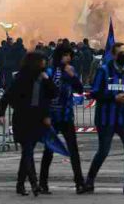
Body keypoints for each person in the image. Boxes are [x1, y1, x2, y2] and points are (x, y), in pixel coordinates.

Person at [0, 52, 57, 197]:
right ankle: (34, 184)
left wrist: (47, 80)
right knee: (28, 151)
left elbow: (53, 93)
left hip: (37, 120)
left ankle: (20, 184)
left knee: (27, 154)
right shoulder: (21, 78)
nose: (44, 65)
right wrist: (0, 113)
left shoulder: (42, 78)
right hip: (23, 119)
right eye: (42, 62)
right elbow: (7, 96)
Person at [84, 43, 124, 195]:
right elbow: (95, 92)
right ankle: (89, 180)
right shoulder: (103, 71)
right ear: (114, 55)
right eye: (122, 53)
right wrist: (113, 97)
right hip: (106, 118)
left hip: (123, 118)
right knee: (103, 151)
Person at [38, 45, 87, 195]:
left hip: (66, 116)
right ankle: (43, 183)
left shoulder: (70, 70)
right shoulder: (50, 71)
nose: (69, 58)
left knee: (73, 150)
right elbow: (43, 94)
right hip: (51, 117)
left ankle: (79, 182)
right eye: (66, 55)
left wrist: (72, 76)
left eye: (70, 55)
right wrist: (44, 115)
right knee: (49, 150)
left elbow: (80, 89)